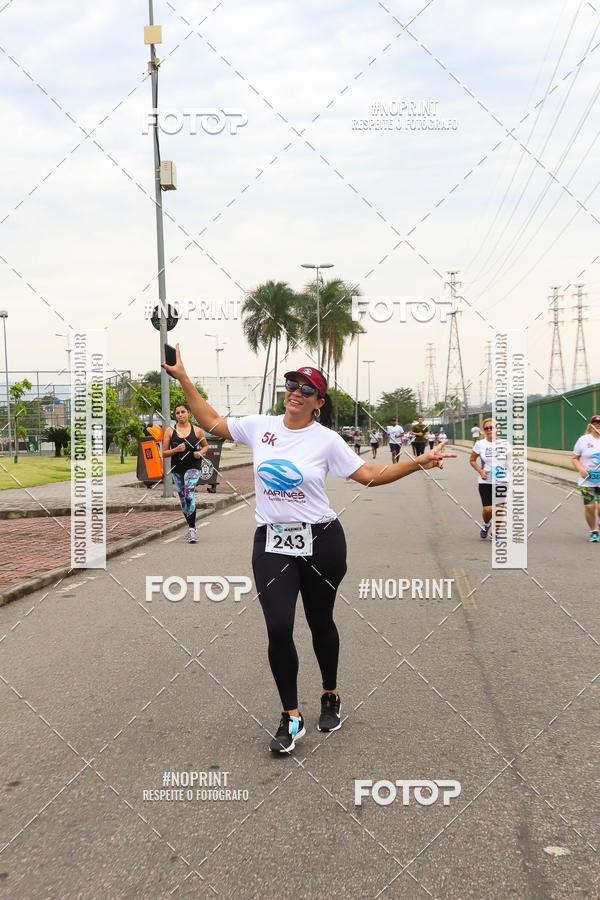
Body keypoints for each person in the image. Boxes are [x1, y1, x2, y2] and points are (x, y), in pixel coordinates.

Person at [163, 347, 455, 754]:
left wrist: (417, 463)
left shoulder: (327, 440)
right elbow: (210, 421)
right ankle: (291, 716)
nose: (295, 392)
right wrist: (183, 378)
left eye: (307, 388)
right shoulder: (260, 426)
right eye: (291, 384)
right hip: (272, 542)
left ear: (319, 402)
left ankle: (331, 693)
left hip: (321, 541)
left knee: (321, 622)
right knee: (279, 627)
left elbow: (369, 474)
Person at [162, 403, 208, 543]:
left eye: (183, 412)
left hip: (193, 466)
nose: (180, 415)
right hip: (177, 468)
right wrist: (175, 450)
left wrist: (199, 453)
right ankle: (191, 527)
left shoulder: (198, 431)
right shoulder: (170, 431)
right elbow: (163, 453)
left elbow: (205, 446)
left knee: (189, 493)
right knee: (182, 498)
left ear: (188, 412)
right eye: (177, 413)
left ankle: (192, 530)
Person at [470, 418, 510, 540]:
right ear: (484, 430)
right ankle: (486, 524)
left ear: (497, 429)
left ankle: (496, 532)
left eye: (492, 427)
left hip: (502, 480)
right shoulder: (479, 444)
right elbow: (472, 460)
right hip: (485, 480)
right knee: (488, 510)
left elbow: (509, 461)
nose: (489, 430)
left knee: (499, 508)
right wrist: (480, 471)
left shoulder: (505, 444)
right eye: (486, 428)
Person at [572, 415, 600, 542]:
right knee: (590, 507)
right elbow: (574, 458)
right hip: (587, 481)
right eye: (596, 423)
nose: (598, 425)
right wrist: (581, 469)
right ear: (591, 426)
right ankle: (593, 531)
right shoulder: (583, 440)